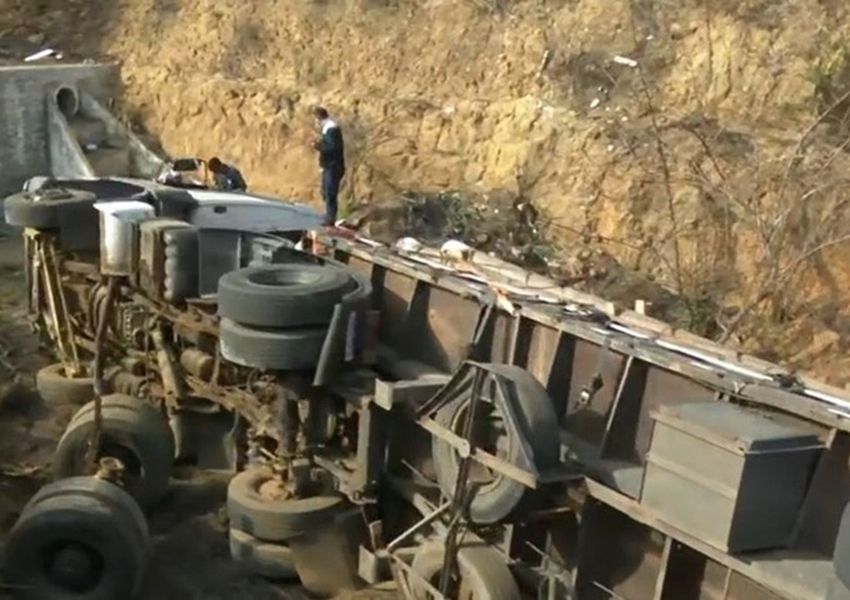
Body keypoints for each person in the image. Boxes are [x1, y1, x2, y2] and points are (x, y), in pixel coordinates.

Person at [312, 106, 346, 226]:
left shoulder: (332, 129)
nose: (315, 123)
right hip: (328, 166)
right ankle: (328, 216)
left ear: (319, 118)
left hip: (333, 167)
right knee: (325, 192)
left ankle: (330, 219)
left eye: (315, 120)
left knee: (330, 193)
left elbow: (333, 148)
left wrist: (318, 146)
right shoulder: (328, 129)